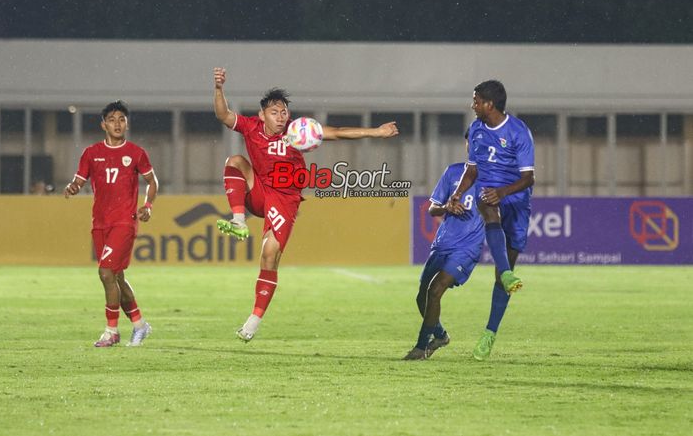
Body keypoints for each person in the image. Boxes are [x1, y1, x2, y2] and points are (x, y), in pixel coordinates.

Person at [212, 67, 398, 342]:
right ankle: (239, 220)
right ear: (262, 114)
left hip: (285, 199)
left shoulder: (298, 131)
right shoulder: (251, 127)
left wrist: (376, 131)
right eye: (274, 112)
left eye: (284, 111)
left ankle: (254, 320)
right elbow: (223, 115)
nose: (280, 116)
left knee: (269, 255)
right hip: (260, 191)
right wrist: (219, 88)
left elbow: (336, 132)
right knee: (234, 162)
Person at [449, 80, 535, 360]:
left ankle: (490, 333)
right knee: (487, 205)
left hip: (515, 197)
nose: (472, 105)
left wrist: (503, 192)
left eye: (476, 100)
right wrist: (457, 194)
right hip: (489, 192)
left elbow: (528, 178)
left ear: (489, 104)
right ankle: (506, 273)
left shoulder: (518, 131)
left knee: (503, 273)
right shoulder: (475, 130)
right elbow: (472, 171)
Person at [64, 100, 158, 347]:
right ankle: (139, 325)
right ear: (103, 124)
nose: (118, 124)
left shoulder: (136, 153)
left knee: (105, 272)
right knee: (116, 276)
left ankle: (111, 331)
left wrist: (147, 206)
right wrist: (73, 187)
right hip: (100, 223)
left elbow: (152, 181)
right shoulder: (91, 153)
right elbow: (79, 179)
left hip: (124, 222)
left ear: (126, 124)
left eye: (122, 119)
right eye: (113, 120)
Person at [404, 155, 484, 360]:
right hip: (443, 243)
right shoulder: (453, 172)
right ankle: (440, 336)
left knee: (435, 289)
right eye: (470, 142)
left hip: (467, 248)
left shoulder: (494, 176)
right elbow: (432, 209)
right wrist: (447, 207)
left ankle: (421, 348)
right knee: (422, 297)